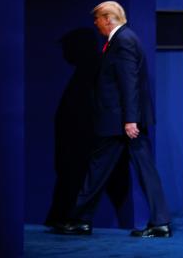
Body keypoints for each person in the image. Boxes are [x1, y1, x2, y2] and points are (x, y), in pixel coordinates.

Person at [55, 1, 172, 237]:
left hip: (121, 123)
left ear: (108, 19)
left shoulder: (123, 41)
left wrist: (130, 120)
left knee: (106, 170)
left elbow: (129, 83)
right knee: (122, 169)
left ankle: (81, 219)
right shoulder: (119, 41)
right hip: (119, 121)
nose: (96, 24)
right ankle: (157, 222)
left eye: (97, 19)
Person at [45, 28, 131, 228]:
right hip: (90, 146)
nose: (65, 53)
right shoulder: (92, 69)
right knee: (112, 188)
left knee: (77, 188)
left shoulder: (91, 71)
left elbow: (87, 110)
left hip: (86, 147)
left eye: (68, 48)